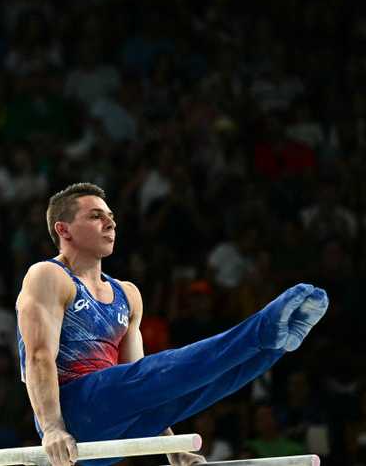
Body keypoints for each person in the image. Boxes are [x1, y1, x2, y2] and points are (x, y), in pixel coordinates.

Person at [16, 183, 329, 466]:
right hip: (73, 412)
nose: (110, 222)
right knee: (169, 369)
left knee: (205, 385)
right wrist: (53, 429)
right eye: (96, 216)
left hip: (115, 428)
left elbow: (146, 383)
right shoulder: (49, 276)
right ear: (64, 229)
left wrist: (171, 446)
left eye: (110, 215)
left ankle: (275, 346)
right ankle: (264, 328)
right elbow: (39, 356)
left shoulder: (128, 294)